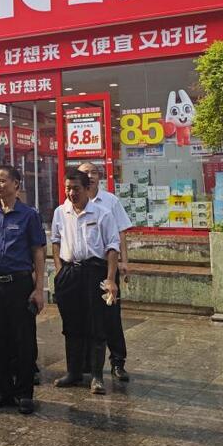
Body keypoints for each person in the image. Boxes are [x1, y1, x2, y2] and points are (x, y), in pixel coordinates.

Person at [0, 165, 47, 415]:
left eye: (3, 181)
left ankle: (24, 393)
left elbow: (38, 251)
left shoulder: (29, 215)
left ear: (16, 184)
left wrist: (39, 288)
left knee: (23, 340)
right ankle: (2, 390)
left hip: (20, 283)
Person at [51, 168, 120, 395]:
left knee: (97, 325)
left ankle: (97, 376)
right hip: (70, 272)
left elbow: (112, 247)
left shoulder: (102, 213)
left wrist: (110, 279)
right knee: (71, 325)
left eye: (76, 189)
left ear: (87, 189)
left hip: (95, 272)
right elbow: (56, 241)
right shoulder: (61, 212)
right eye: (68, 188)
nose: (72, 193)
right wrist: (60, 271)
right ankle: (73, 372)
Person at [79, 161, 133, 382]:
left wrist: (124, 260)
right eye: (85, 173)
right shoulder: (71, 199)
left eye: (93, 172)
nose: (90, 176)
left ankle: (118, 362)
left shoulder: (110, 201)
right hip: (82, 268)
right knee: (83, 316)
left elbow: (121, 233)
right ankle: (86, 363)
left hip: (106, 266)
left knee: (111, 317)